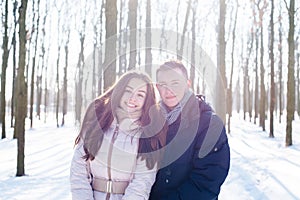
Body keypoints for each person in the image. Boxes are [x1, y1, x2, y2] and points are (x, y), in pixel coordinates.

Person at [70, 71, 167, 200]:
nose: (133, 98)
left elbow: (142, 183)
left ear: (146, 101)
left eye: (140, 94)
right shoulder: (96, 124)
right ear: (120, 92)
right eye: (128, 91)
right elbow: (79, 171)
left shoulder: (147, 135)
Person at [149, 60, 230, 200]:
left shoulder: (209, 124)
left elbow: (206, 182)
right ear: (157, 87)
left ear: (187, 84)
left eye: (175, 83)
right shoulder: (150, 122)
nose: (169, 90)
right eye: (163, 85)